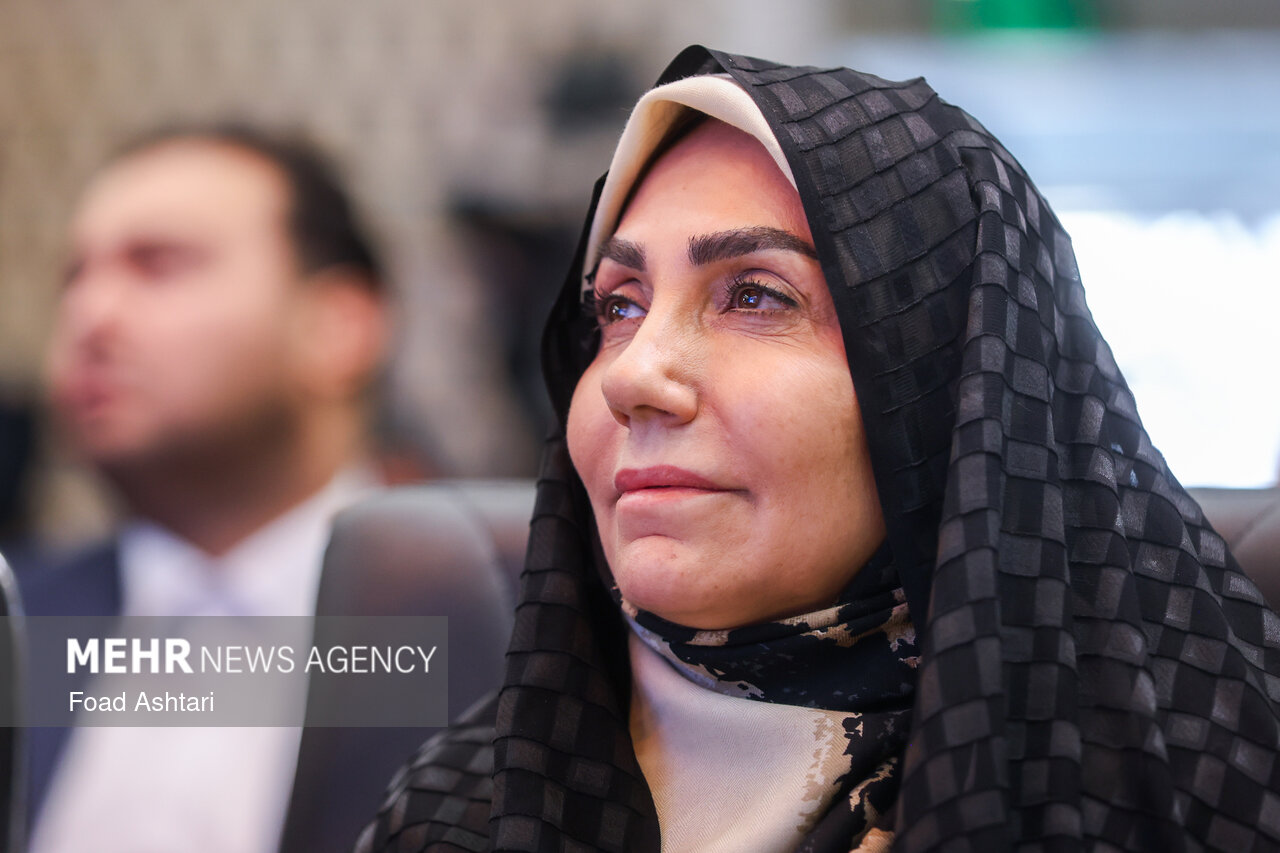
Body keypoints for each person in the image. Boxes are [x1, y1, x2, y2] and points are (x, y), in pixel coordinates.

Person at [357, 46, 1280, 853]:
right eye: (619, 306)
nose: (631, 376)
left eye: (756, 296)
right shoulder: (457, 814)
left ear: (949, 378)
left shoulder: (1197, 789)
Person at [14, 126, 392, 853]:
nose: (90, 315)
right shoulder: (20, 627)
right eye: (73, 278)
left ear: (338, 325)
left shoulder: (509, 639)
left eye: (159, 265)